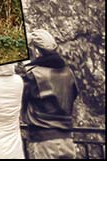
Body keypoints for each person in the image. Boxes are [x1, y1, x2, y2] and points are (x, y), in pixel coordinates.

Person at [17, 27, 81, 159]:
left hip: (43, 140)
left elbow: (18, 96)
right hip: (67, 139)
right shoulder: (68, 72)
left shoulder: (32, 75)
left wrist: (27, 67)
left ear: (36, 50)